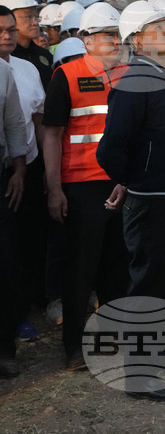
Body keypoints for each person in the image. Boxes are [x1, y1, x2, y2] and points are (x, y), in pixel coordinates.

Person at [96, 0, 165, 401]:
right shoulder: (133, 84)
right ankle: (141, 375)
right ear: (138, 41)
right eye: (159, 28)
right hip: (151, 200)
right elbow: (110, 151)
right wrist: (134, 180)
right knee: (150, 284)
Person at [42, 2, 129, 371]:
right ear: (85, 39)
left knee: (116, 268)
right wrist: (54, 189)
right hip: (80, 188)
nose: (111, 42)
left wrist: (127, 180)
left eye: (115, 35)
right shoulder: (66, 75)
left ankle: (108, 340)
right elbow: (52, 136)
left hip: (120, 185)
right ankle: (74, 349)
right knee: (81, 270)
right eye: (105, 36)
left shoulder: (129, 74)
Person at [0, 6, 46, 342]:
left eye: (10, 30)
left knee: (14, 251)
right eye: (0, 30)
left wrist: (22, 168)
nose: (7, 36)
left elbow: (21, 121)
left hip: (14, 172)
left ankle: (15, 321)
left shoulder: (17, 70)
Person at [0, 54, 28, 377]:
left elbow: (13, 122)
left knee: (5, 265)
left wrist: (20, 169)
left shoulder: (3, 72)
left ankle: (4, 348)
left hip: (2, 181)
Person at [0, 0, 53, 89]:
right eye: (28, 16)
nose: (35, 22)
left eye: (36, 17)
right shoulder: (6, 57)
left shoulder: (44, 55)